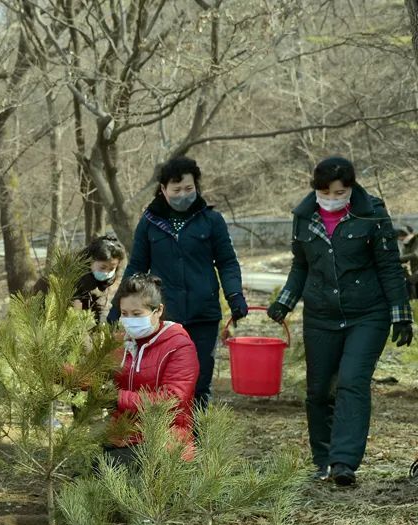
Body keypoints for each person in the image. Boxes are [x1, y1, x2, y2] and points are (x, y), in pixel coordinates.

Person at [267, 157, 413, 487]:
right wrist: (285, 301)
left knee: (351, 381)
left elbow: (389, 266)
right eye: (327, 192)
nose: (334, 197)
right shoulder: (304, 217)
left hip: (368, 313)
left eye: (341, 191)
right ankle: (323, 460)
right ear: (316, 189)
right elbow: (301, 266)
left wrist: (401, 315)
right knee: (318, 390)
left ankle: (344, 461)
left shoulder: (371, 212)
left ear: (351, 188)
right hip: (321, 315)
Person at [112, 156, 246, 410]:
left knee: (199, 383)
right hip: (166, 317)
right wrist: (116, 309)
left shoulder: (211, 220)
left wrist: (235, 295)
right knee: (163, 383)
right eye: (176, 190)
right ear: (163, 190)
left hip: (203, 314)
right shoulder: (149, 223)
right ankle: (163, 441)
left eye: (189, 189)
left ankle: (196, 443)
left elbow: (227, 261)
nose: (183, 195)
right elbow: (136, 267)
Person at [102, 274, 198, 468]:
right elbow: (97, 375)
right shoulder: (121, 342)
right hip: (121, 437)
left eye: (137, 314)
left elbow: (171, 400)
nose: (129, 321)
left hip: (165, 442)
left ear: (158, 311)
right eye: (125, 313)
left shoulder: (179, 346)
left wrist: (117, 398)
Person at [33, 234, 126, 324]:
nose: (107, 273)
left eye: (111, 268)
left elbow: (97, 307)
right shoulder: (68, 275)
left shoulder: (103, 281)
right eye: (103, 267)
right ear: (90, 260)